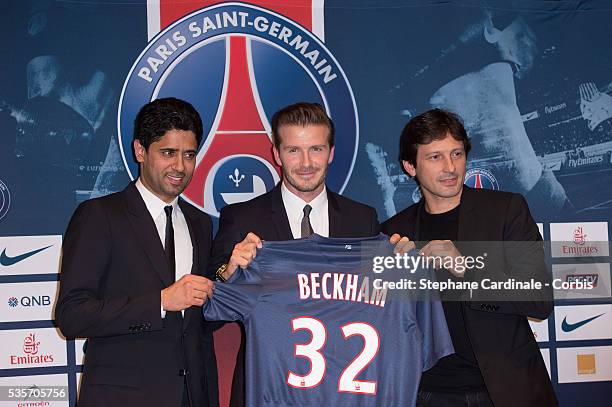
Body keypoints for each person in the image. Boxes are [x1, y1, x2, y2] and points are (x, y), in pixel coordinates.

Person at [210, 102, 410, 405]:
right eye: (293, 150)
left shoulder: (362, 219)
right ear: (276, 154)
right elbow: (210, 311)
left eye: (315, 149)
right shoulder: (242, 219)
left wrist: (400, 270)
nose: (306, 162)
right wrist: (228, 272)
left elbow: (375, 302)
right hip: (269, 390)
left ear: (330, 153)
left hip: (343, 391)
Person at [382, 108, 557, 407]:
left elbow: (539, 299)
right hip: (427, 393)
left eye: (457, 154)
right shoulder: (392, 232)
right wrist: (393, 279)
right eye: (435, 157)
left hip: (504, 389)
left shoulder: (506, 211)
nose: (450, 167)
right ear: (410, 166)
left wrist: (467, 268)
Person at [56, 98, 219, 407]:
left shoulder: (200, 223)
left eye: (189, 155)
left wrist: (227, 277)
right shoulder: (99, 216)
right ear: (140, 151)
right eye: (168, 153)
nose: (180, 166)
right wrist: (160, 302)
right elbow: (72, 316)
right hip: (121, 397)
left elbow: (198, 322)